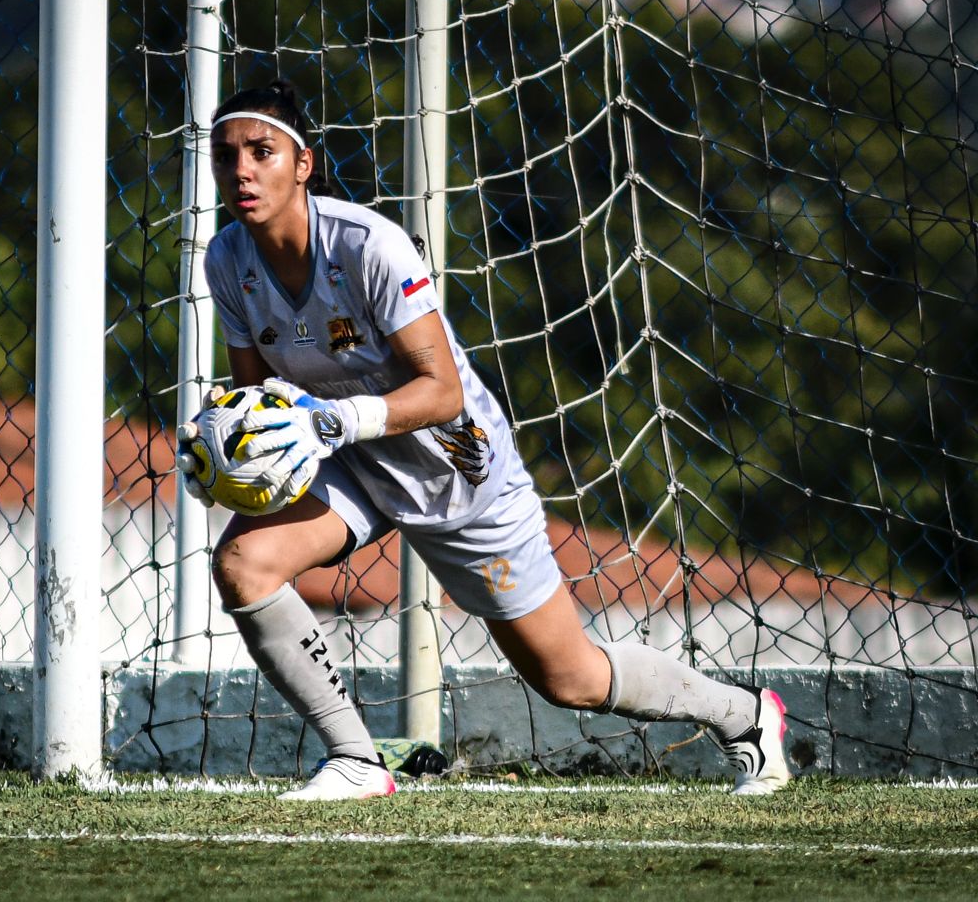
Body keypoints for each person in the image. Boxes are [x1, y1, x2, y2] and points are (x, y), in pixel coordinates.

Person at [177, 79, 793, 801]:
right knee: (244, 562)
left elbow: (441, 392)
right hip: (352, 464)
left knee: (572, 680)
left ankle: (746, 716)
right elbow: (255, 396)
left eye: (262, 152)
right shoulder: (227, 260)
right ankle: (356, 759)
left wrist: (331, 421)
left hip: (458, 473)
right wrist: (226, 452)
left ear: (303, 164)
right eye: (227, 158)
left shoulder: (369, 246)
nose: (243, 171)